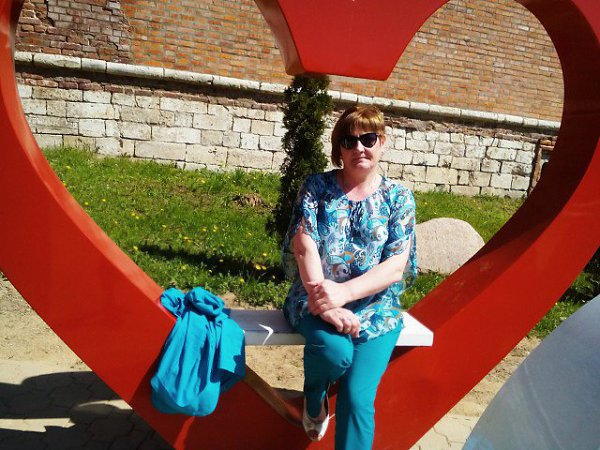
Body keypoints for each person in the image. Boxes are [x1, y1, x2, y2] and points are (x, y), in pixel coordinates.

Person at [282, 105, 417, 449]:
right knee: (333, 352)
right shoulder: (316, 187)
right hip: (315, 297)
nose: (359, 148)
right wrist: (325, 302)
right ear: (338, 148)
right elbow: (304, 245)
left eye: (368, 139)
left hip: (376, 309)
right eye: (349, 141)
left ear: (382, 142)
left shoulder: (399, 197)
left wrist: (344, 294)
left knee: (357, 399)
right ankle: (314, 397)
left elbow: (395, 265)